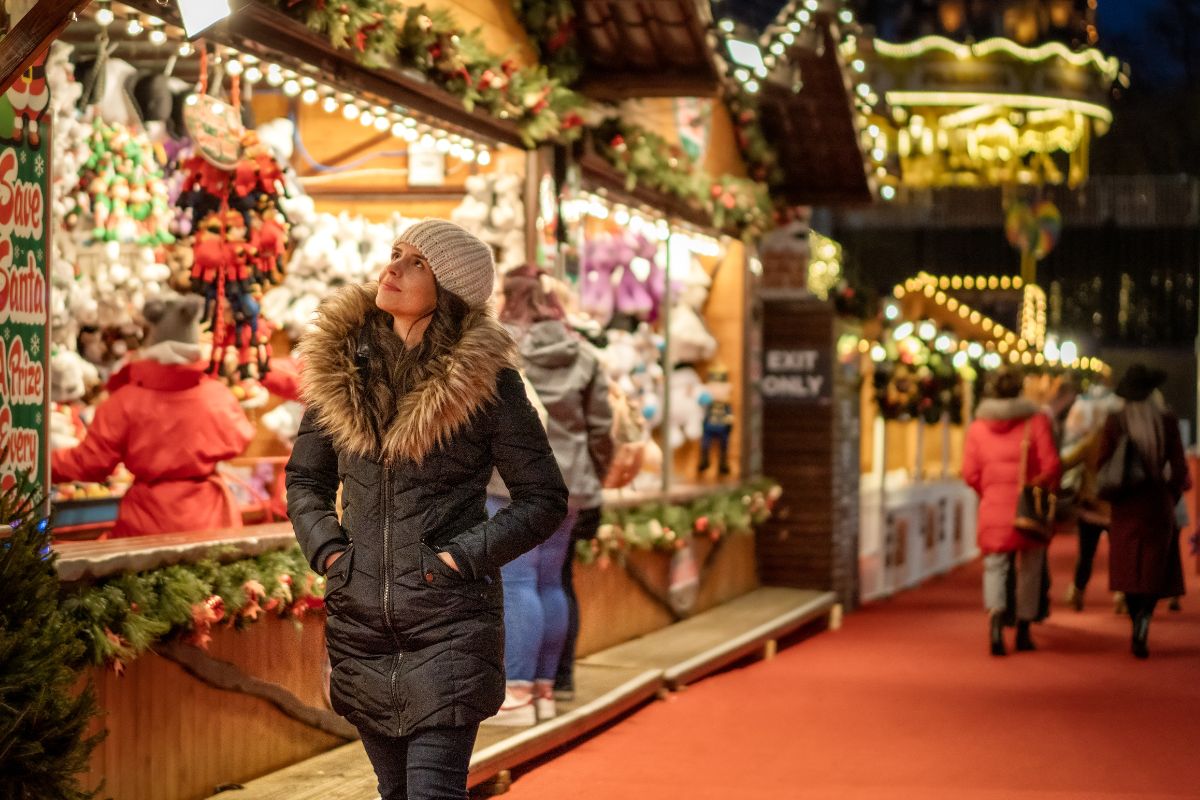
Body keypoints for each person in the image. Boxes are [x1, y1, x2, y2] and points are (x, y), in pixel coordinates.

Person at [286, 220, 568, 800]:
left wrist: (460, 559)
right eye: (395, 254)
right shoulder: (340, 375)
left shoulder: (487, 383)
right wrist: (332, 554)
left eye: (416, 262)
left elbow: (544, 499)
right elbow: (305, 479)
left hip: (450, 621)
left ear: (451, 289)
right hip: (361, 626)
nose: (392, 268)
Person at [484, 266, 613, 724]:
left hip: (512, 483)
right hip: (572, 483)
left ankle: (515, 694)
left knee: (517, 583)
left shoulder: (500, 349)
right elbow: (601, 429)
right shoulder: (584, 353)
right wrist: (594, 476)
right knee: (549, 582)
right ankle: (542, 689)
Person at [51, 293, 254, 537]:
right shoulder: (218, 396)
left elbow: (89, 464)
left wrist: (38, 463)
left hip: (148, 524)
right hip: (213, 522)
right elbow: (241, 439)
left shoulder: (125, 402)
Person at [962, 367, 1061, 656]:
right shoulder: (1036, 421)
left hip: (993, 507)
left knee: (995, 567)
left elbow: (969, 473)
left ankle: (995, 622)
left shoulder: (978, 427)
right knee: (1030, 568)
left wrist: (989, 491)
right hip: (1027, 508)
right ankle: (1023, 630)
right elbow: (1051, 465)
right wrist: (1038, 487)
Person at [1097, 364, 1189, 659]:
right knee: (1152, 567)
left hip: (1125, 504)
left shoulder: (1115, 421)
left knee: (1127, 567)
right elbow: (1180, 467)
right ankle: (1145, 619)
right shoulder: (1167, 420)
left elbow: (1102, 463)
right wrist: (1171, 494)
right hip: (1157, 502)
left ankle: (1135, 619)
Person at [1060, 383, 1120, 610]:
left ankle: (1078, 592)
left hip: (1091, 506)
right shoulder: (1122, 441)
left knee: (1086, 555)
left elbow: (1068, 461)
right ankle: (1122, 596)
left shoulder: (1092, 439)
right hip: (1116, 506)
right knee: (1119, 555)